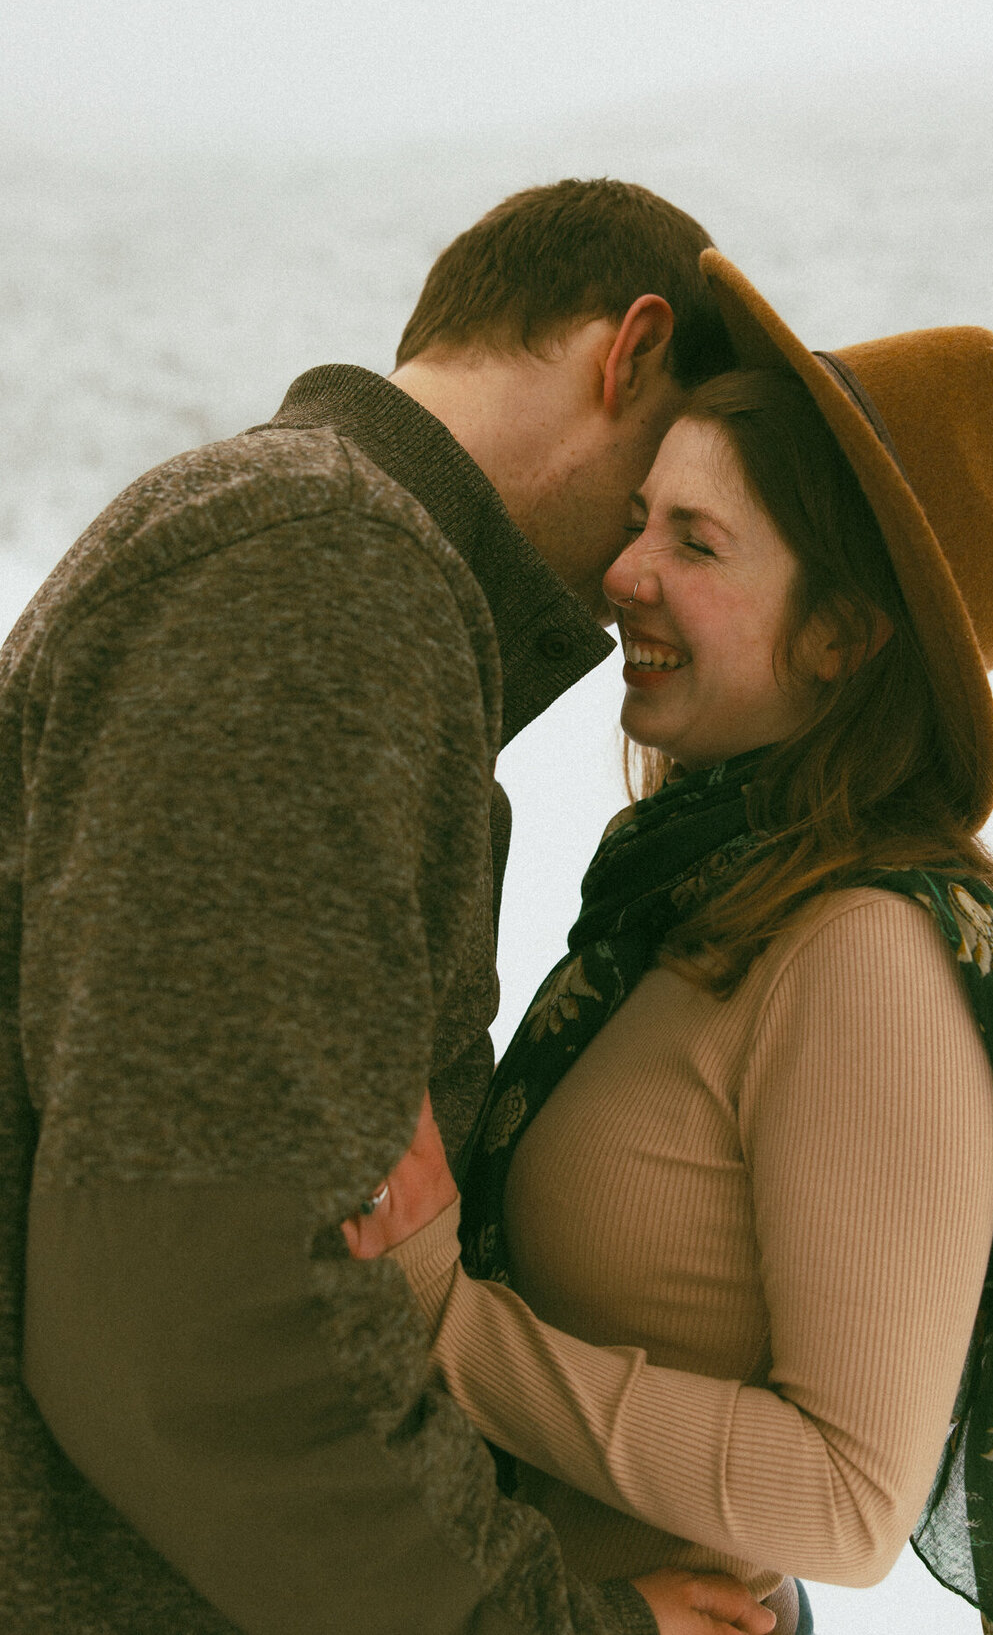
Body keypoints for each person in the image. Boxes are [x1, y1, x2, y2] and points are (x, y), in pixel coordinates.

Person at [347, 252, 993, 1635]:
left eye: (696, 541)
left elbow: (847, 1499)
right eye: (639, 518)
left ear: (843, 635)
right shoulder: (700, 901)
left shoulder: (864, 957)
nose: (621, 572)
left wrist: (450, 1322)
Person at [0, 182, 782, 1635]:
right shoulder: (319, 574)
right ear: (630, 352)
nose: (638, 576)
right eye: (670, 479)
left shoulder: (303, 554)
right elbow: (203, 1327)